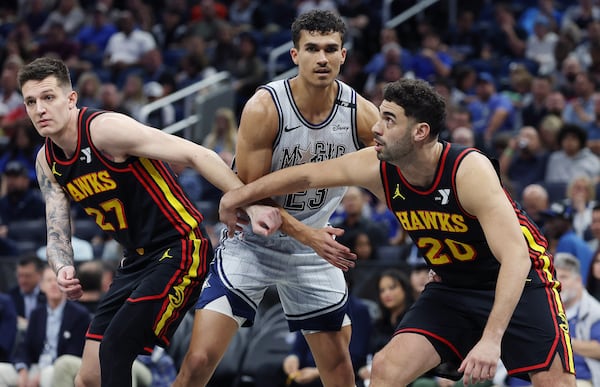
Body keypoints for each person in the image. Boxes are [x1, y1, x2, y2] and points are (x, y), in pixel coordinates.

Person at [219, 78, 577, 386]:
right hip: (453, 285)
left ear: (420, 132)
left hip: (522, 281)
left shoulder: (468, 170)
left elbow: (516, 257)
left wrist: (491, 338)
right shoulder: (378, 166)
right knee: (386, 371)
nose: (375, 127)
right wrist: (239, 195)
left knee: (554, 382)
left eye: (388, 120)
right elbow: (308, 174)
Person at [17, 56, 280, 387]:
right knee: (88, 377)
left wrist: (250, 203)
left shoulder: (105, 130)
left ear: (71, 99)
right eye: (30, 101)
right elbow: (55, 227)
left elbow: (197, 154)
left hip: (181, 246)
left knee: (115, 348)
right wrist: (62, 266)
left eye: (48, 97)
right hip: (136, 260)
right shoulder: (47, 160)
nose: (39, 109)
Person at [173, 10, 379, 387]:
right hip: (254, 240)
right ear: (294, 55)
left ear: (344, 55)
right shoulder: (265, 107)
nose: (322, 58)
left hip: (313, 248)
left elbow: (396, 182)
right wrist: (308, 234)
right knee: (199, 360)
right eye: (312, 48)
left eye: (331, 49)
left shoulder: (363, 114)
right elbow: (255, 202)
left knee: (340, 371)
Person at [3, 265, 91, 387]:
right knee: (1, 371)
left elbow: (75, 351)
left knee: (48, 374)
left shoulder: (79, 314)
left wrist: (40, 375)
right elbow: (25, 347)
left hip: (59, 367)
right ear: (42, 286)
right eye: (49, 280)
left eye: (57, 280)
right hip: (36, 366)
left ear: (66, 285)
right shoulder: (37, 313)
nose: (53, 284)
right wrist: (23, 370)